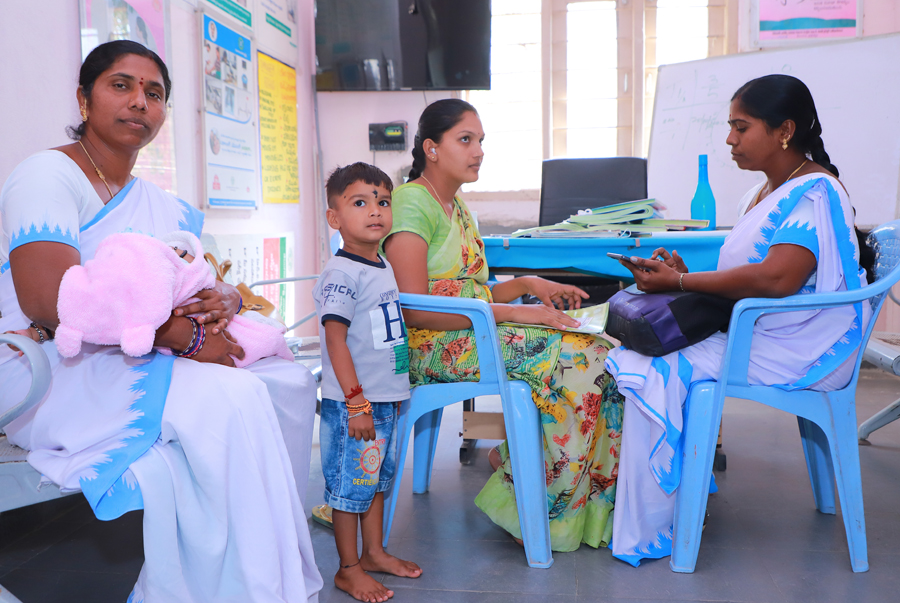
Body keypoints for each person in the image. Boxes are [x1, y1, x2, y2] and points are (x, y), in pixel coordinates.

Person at [0, 41, 323, 601]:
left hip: (137, 352)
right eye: (120, 86)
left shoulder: (168, 208)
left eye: (154, 93)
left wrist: (223, 299)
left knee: (286, 384)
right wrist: (190, 337)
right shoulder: (48, 174)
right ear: (83, 98)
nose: (139, 103)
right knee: (232, 400)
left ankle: (260, 576)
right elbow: (50, 300)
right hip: (48, 362)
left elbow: (193, 282)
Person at [606, 74, 873, 567]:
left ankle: (652, 526)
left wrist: (680, 286)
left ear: (784, 130)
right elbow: (746, 278)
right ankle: (660, 503)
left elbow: (777, 281)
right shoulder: (763, 192)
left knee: (654, 366)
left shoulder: (815, 191)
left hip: (804, 346)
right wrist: (685, 276)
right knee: (638, 354)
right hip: (765, 330)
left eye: (740, 127)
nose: (730, 139)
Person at [381, 99, 625, 552]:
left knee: (602, 351)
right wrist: (516, 312)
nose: (478, 151)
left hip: (469, 331)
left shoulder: (457, 207)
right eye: (465, 140)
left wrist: (529, 285)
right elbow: (413, 308)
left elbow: (471, 292)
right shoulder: (412, 203)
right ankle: (536, 509)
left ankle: (532, 477)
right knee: (579, 357)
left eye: (481, 141)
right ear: (431, 148)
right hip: (430, 345)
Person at [313, 163, 422, 602]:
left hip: (384, 400)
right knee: (348, 489)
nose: (375, 210)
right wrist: (357, 403)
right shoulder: (342, 273)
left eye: (382, 201)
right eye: (360, 202)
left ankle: (374, 552)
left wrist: (391, 396)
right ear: (334, 217)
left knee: (375, 480)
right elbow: (335, 340)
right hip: (354, 406)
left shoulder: (380, 264)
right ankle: (348, 567)